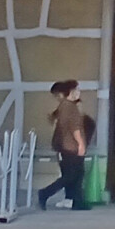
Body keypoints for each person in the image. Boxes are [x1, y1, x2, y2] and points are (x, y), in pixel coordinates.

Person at [36, 79, 92, 211]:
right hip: (70, 146)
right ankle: (45, 193)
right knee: (71, 175)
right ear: (70, 92)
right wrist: (81, 144)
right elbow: (74, 127)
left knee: (77, 174)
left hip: (67, 146)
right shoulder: (69, 107)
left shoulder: (66, 106)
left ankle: (77, 201)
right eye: (76, 90)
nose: (79, 92)